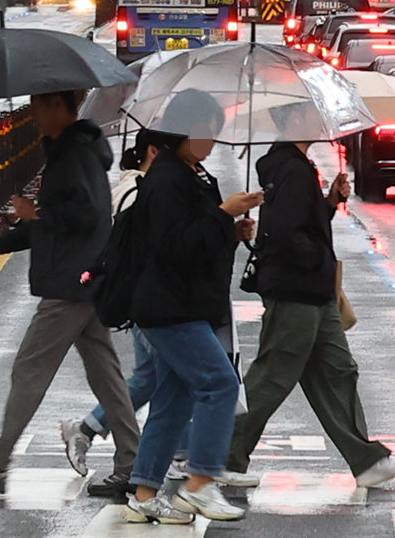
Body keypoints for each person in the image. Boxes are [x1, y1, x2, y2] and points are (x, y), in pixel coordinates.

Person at [0, 90, 140, 499]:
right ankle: (133, 461)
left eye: (37, 106)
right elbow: (61, 219)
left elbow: (84, 215)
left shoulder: (75, 152)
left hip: (71, 283)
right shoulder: (74, 149)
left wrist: (37, 213)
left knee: (30, 368)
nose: (33, 115)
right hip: (85, 278)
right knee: (106, 375)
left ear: (57, 105)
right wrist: (1, 243)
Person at [226, 104, 395, 489]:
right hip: (297, 289)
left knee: (337, 371)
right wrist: (317, 259)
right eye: (312, 114)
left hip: (314, 290)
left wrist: (328, 203)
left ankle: (367, 461)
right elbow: (286, 233)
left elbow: (302, 224)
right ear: (294, 119)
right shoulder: (291, 169)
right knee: (273, 374)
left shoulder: (296, 166)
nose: (320, 121)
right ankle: (220, 456)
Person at [124, 89, 263, 524]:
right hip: (170, 306)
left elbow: (198, 238)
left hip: (185, 302)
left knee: (173, 398)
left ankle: (144, 494)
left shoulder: (193, 175)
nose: (210, 141)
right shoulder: (167, 179)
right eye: (206, 131)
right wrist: (222, 215)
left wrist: (231, 230)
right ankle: (200, 483)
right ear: (183, 131)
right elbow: (173, 247)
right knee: (220, 383)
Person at [58, 129, 190, 481]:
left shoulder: (140, 187)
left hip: (147, 297)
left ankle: (87, 429)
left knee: (152, 376)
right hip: (147, 298)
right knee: (172, 374)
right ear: (154, 152)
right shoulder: (137, 192)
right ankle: (178, 452)